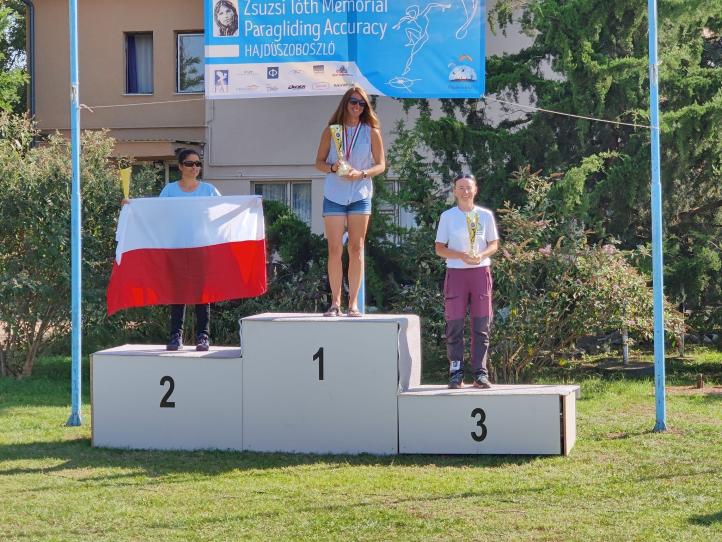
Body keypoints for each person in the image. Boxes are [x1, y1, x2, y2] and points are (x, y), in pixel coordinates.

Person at [121, 149, 221, 351]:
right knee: (178, 294)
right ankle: (176, 336)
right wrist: (132, 206)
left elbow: (223, 211)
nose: (195, 168)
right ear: (181, 166)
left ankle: (203, 337)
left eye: (198, 164)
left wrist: (250, 205)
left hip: (201, 249)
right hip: (176, 249)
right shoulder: (169, 190)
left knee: (203, 295)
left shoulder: (209, 190)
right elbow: (157, 214)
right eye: (190, 163)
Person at [314, 86, 386, 317]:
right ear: (345, 103)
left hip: (360, 194)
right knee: (334, 249)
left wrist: (362, 173)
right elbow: (319, 163)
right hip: (334, 195)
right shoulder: (331, 130)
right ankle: (335, 302)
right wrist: (335, 167)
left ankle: (353, 303)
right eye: (353, 102)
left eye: (362, 104)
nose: (357, 107)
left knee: (356, 248)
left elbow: (381, 165)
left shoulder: (371, 132)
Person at [435, 174, 499, 389]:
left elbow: (493, 244)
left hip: (480, 273)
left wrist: (481, 255)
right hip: (456, 274)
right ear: (454, 191)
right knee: (454, 325)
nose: (465, 191)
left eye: (468, 187)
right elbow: (439, 248)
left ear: (475, 190)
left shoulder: (485, 215)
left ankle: (480, 373)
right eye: (460, 188)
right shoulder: (448, 216)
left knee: (481, 326)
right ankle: (456, 372)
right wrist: (460, 255)